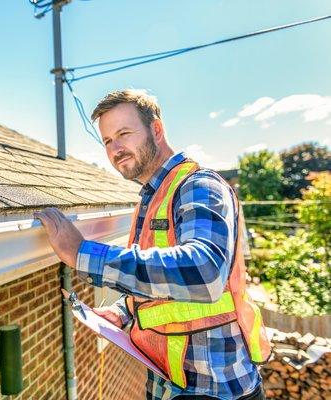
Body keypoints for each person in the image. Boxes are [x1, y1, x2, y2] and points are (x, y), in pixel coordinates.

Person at [34, 89, 269, 400]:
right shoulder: (150, 199)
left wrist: (82, 254)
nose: (115, 148)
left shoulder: (198, 186)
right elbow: (164, 286)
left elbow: (205, 272)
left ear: (156, 130)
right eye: (107, 141)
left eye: (123, 133)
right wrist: (123, 311)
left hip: (215, 389)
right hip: (170, 385)